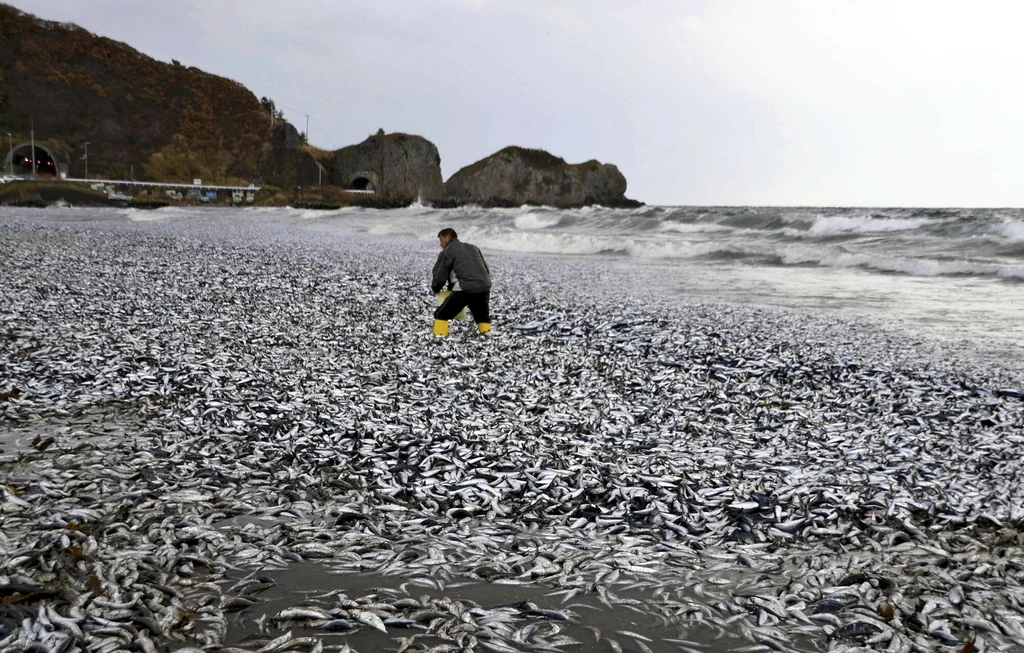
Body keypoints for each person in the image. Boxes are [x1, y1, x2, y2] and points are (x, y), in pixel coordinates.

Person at [431, 228, 491, 336]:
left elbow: (439, 274)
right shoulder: (474, 247)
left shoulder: (447, 251)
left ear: (448, 237)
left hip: (466, 288)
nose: (440, 244)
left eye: (441, 240)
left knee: (441, 314)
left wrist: (436, 288)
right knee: (482, 316)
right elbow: (485, 270)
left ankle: (439, 337)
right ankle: (485, 334)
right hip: (484, 286)